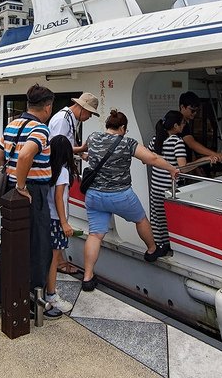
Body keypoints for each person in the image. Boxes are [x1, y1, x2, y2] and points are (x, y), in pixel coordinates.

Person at [0, 84, 57, 321]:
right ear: (47, 106)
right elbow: (26, 155)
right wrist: (23, 186)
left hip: (11, 192)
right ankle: (35, 303)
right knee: (39, 248)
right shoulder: (41, 129)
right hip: (32, 193)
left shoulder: (12, 125)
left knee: (10, 246)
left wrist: (15, 180)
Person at [82, 109, 180, 291]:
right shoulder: (128, 143)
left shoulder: (93, 137)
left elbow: (83, 151)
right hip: (120, 195)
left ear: (107, 126)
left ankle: (87, 277)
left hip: (94, 195)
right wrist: (171, 169)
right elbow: (151, 158)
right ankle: (151, 250)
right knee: (140, 219)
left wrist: (81, 154)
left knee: (95, 235)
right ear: (123, 127)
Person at [45, 135, 78, 314]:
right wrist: (64, 222)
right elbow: (59, 197)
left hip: (45, 217)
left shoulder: (46, 168)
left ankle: (45, 291)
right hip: (56, 220)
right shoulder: (63, 171)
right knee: (53, 259)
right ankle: (51, 295)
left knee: (47, 257)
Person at [149, 110, 188, 256]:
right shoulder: (177, 142)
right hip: (169, 188)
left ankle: (161, 245)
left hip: (155, 186)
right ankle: (172, 247)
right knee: (172, 219)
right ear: (176, 126)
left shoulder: (155, 140)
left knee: (158, 218)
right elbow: (182, 168)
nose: (184, 126)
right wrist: (204, 160)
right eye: (183, 123)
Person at [160, 91, 222, 164]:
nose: (195, 113)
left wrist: (197, 169)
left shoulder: (185, 125)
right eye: (192, 110)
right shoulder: (181, 127)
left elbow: (189, 148)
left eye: (197, 110)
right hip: (177, 169)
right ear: (182, 107)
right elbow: (191, 144)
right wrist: (215, 154)